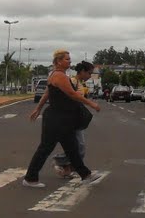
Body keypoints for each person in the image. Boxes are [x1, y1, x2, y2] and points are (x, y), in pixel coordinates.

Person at [22, 50, 101, 188]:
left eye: (69, 59)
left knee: (72, 148)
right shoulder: (59, 76)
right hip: (56, 119)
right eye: (67, 59)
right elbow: (72, 94)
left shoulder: (57, 75)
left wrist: (38, 108)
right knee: (45, 148)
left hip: (62, 118)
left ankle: (85, 175)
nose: (70, 61)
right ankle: (30, 178)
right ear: (58, 61)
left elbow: (47, 93)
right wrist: (92, 104)